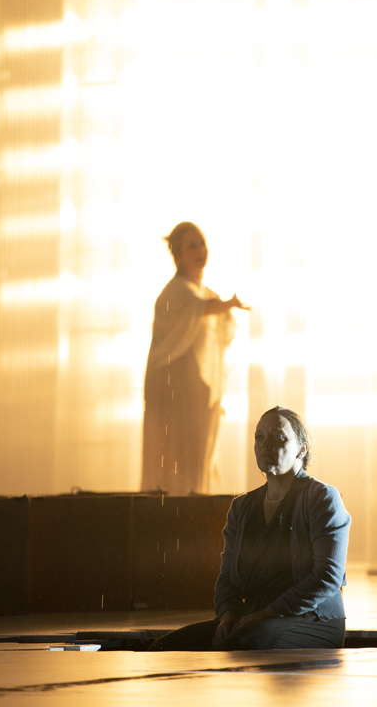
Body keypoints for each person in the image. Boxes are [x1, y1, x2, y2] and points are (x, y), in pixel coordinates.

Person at [148, 406, 351, 650]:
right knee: (165, 646)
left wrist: (264, 615)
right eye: (259, 437)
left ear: (302, 449)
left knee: (246, 641)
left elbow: (327, 577)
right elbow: (226, 579)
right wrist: (228, 614)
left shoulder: (322, 498)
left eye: (278, 437)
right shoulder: (242, 506)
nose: (266, 444)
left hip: (312, 621)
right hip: (252, 619)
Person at [141, 222, 248, 495]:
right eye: (192, 246)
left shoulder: (205, 292)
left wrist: (224, 308)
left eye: (201, 243)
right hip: (174, 387)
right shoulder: (175, 292)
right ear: (178, 254)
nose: (200, 250)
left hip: (197, 387)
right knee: (175, 452)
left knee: (197, 452)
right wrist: (226, 305)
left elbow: (212, 317)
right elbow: (196, 309)